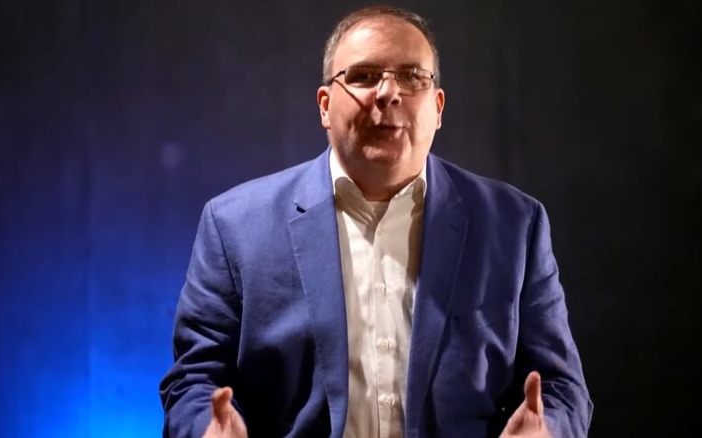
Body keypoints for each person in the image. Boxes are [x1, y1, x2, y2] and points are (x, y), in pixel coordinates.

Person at [159, 5, 592, 438]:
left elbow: (562, 387)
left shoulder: (514, 226)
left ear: (437, 108)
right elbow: (193, 381)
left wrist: (548, 429)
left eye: (412, 77)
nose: (388, 93)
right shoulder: (235, 225)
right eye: (363, 76)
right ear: (325, 106)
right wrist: (207, 429)